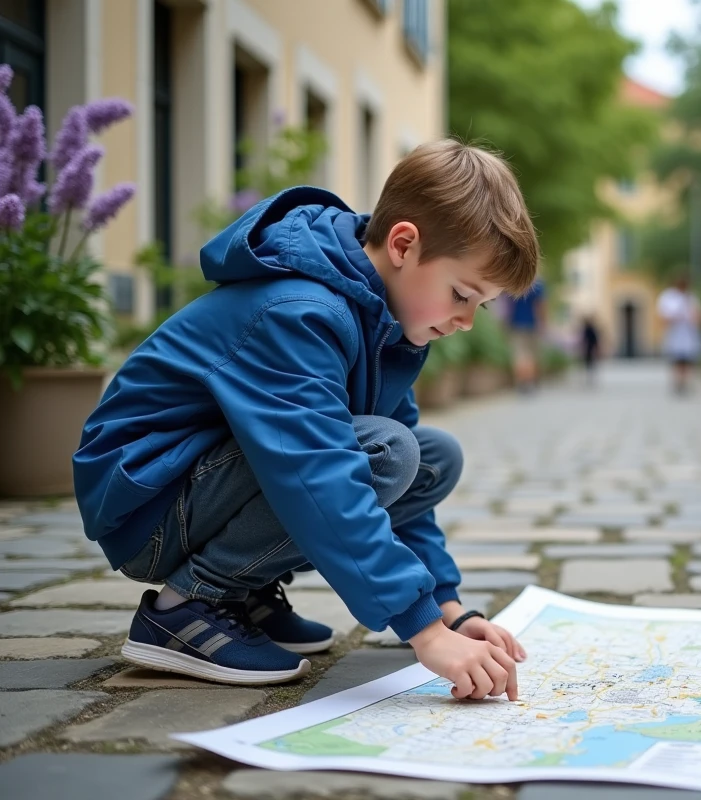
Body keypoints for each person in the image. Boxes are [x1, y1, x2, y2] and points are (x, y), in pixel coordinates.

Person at [73, 140, 539, 699]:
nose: (466, 320)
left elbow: (376, 477)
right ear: (404, 244)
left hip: (198, 484)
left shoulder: (386, 325)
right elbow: (318, 472)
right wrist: (424, 633)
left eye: (479, 305)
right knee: (385, 452)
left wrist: (447, 609)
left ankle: (240, 592)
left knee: (429, 457)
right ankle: (183, 609)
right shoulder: (300, 312)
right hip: (145, 505)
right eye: (461, 294)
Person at [657, 275, 701, 395]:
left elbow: (699, 316)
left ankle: (685, 383)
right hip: (675, 334)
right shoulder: (668, 297)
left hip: (689, 334)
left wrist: (696, 319)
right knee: (677, 360)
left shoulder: (691, 297)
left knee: (688, 360)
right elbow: (663, 317)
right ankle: (678, 382)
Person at [505, 277, 546, 393]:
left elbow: (507, 306)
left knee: (519, 355)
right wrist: (543, 323)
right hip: (532, 324)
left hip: (516, 324)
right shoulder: (538, 284)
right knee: (532, 355)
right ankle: (531, 380)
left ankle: (521, 381)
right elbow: (540, 305)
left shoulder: (513, 282)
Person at [580, 315, 601, 386]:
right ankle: (590, 377)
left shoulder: (589, 329)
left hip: (589, 348)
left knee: (590, 363)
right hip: (589, 348)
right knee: (590, 363)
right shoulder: (588, 329)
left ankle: (590, 377)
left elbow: (593, 340)